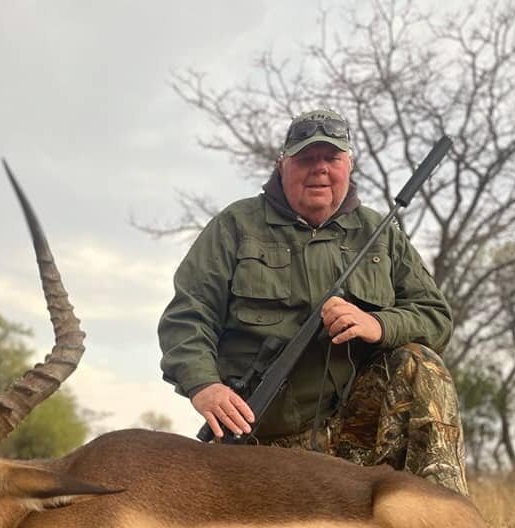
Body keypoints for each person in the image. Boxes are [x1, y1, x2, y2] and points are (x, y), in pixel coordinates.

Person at [158, 109, 468, 495]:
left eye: (331, 158)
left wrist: (380, 325)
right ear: (282, 165)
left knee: (419, 363)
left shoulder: (380, 233)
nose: (319, 169)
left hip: (355, 434)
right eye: (306, 158)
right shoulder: (235, 225)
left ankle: (448, 519)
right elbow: (188, 317)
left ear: (348, 165)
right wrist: (204, 386)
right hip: (261, 438)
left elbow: (435, 317)